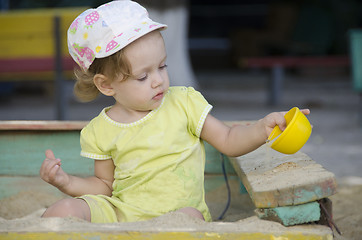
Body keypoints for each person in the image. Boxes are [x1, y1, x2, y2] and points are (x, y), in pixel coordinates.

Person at [39, 0, 310, 223]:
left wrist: (263, 127)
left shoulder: (184, 103)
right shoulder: (100, 129)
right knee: (64, 211)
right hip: (122, 215)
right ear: (106, 85)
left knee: (190, 218)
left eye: (162, 66)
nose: (158, 80)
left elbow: (228, 139)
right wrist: (66, 182)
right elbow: (103, 186)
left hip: (176, 215)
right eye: (143, 77)